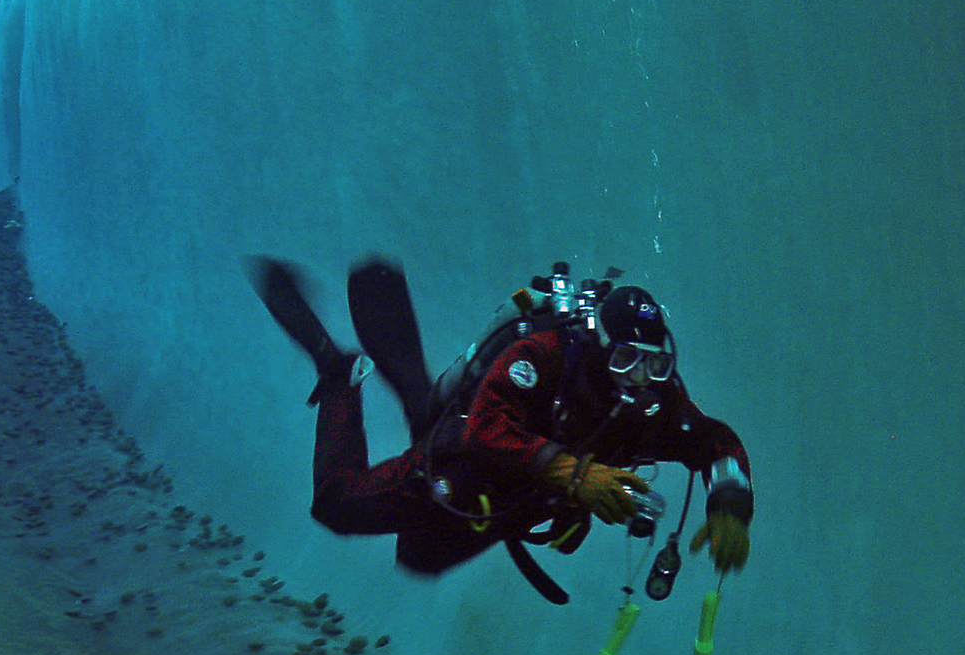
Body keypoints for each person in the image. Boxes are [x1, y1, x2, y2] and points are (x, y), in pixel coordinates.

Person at [250, 257, 752, 601]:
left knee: (418, 559)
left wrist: (730, 506)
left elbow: (716, 441)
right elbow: (486, 426)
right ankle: (340, 376)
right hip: (466, 465)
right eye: (624, 360)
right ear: (599, 349)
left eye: (655, 366)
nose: (641, 381)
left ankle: (422, 403)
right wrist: (575, 475)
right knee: (336, 505)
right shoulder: (545, 356)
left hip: (515, 500)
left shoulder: (657, 403)